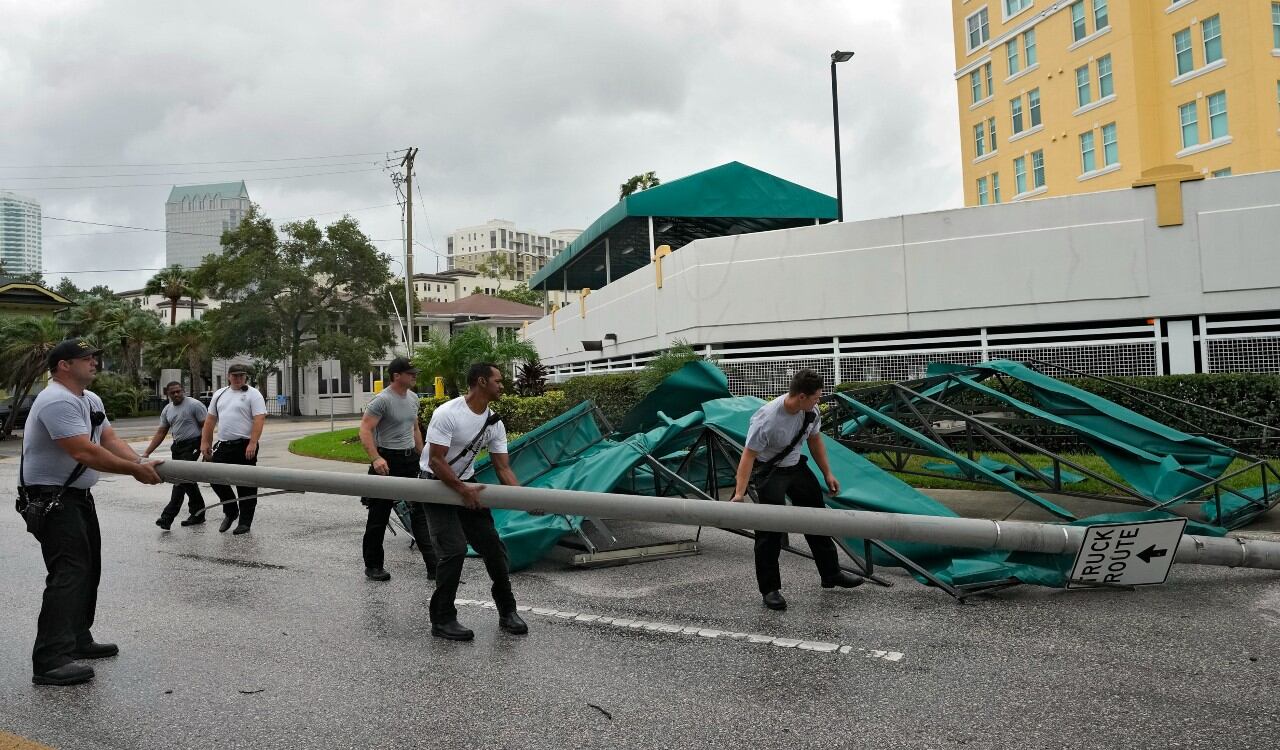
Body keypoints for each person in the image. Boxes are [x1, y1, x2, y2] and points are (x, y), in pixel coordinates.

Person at [20, 338, 164, 686]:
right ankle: (50, 659)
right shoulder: (55, 399)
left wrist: (140, 461)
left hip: (77, 496)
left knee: (88, 568)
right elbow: (83, 451)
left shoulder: (89, 399)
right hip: (51, 498)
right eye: (86, 358)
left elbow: (109, 439)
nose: (95, 362)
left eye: (95, 357)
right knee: (69, 572)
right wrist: (134, 471)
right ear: (63, 366)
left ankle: (77, 639)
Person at [729, 369, 862, 611]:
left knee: (818, 520)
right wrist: (739, 493)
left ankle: (831, 574)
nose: (818, 401)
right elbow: (748, 456)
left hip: (796, 468)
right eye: (816, 397)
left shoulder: (810, 412)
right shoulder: (767, 419)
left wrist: (827, 473)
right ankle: (770, 589)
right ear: (801, 396)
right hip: (770, 472)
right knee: (769, 530)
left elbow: (815, 441)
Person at [420, 362, 526, 641]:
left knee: (493, 546)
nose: (502, 386)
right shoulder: (448, 414)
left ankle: (508, 611)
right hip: (436, 485)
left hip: (465, 484)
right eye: (498, 381)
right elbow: (436, 460)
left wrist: (525, 500)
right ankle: (442, 619)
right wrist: (461, 490)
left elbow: (503, 469)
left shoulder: (494, 422)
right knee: (454, 549)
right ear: (481, 382)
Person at [358, 357, 437, 582]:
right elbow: (364, 430)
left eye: (414, 373)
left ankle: (434, 567)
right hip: (387, 460)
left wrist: (423, 457)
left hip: (409, 459)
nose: (414, 376)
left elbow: (414, 429)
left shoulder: (413, 398)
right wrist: (375, 458)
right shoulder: (381, 400)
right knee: (378, 516)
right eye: (410, 373)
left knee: (420, 513)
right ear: (396, 376)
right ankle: (373, 566)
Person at [200, 364, 267, 535]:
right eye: (235, 376)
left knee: (246, 484)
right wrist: (205, 443)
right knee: (214, 477)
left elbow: (259, 420)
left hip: (245, 445)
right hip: (224, 444)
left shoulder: (253, 394)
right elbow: (209, 421)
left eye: (241, 376)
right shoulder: (220, 394)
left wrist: (253, 443)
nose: (238, 379)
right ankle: (231, 511)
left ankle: (245, 522)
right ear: (228, 376)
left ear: (245, 377)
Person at [143, 381, 207, 529]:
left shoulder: (194, 405)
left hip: (193, 444)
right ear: (168, 394)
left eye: (179, 391)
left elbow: (206, 426)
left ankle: (167, 517)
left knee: (179, 478)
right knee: (186, 480)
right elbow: (161, 432)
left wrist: (205, 447)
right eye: (173, 393)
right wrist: (147, 452)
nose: (177, 394)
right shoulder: (167, 410)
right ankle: (198, 513)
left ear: (183, 390)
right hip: (178, 447)